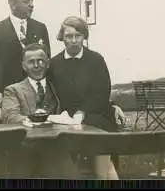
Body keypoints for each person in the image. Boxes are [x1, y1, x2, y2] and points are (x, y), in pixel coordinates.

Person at [49, 16, 119, 180]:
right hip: (65, 122)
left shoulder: (95, 60)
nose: (74, 40)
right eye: (69, 36)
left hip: (96, 118)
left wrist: (82, 112)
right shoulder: (54, 63)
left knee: (103, 166)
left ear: (84, 37)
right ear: (62, 38)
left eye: (78, 35)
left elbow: (102, 93)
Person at [1, 43, 79, 178]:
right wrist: (36, 119)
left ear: (48, 63)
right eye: (31, 62)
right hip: (25, 151)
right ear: (24, 66)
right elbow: (10, 117)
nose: (37, 66)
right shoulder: (13, 90)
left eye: (40, 61)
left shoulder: (58, 88)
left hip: (56, 151)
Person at [0, 0, 50, 93]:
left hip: (35, 92)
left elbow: (46, 60)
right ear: (13, 5)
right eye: (26, 1)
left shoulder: (40, 28)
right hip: (8, 92)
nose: (31, 5)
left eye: (32, 0)